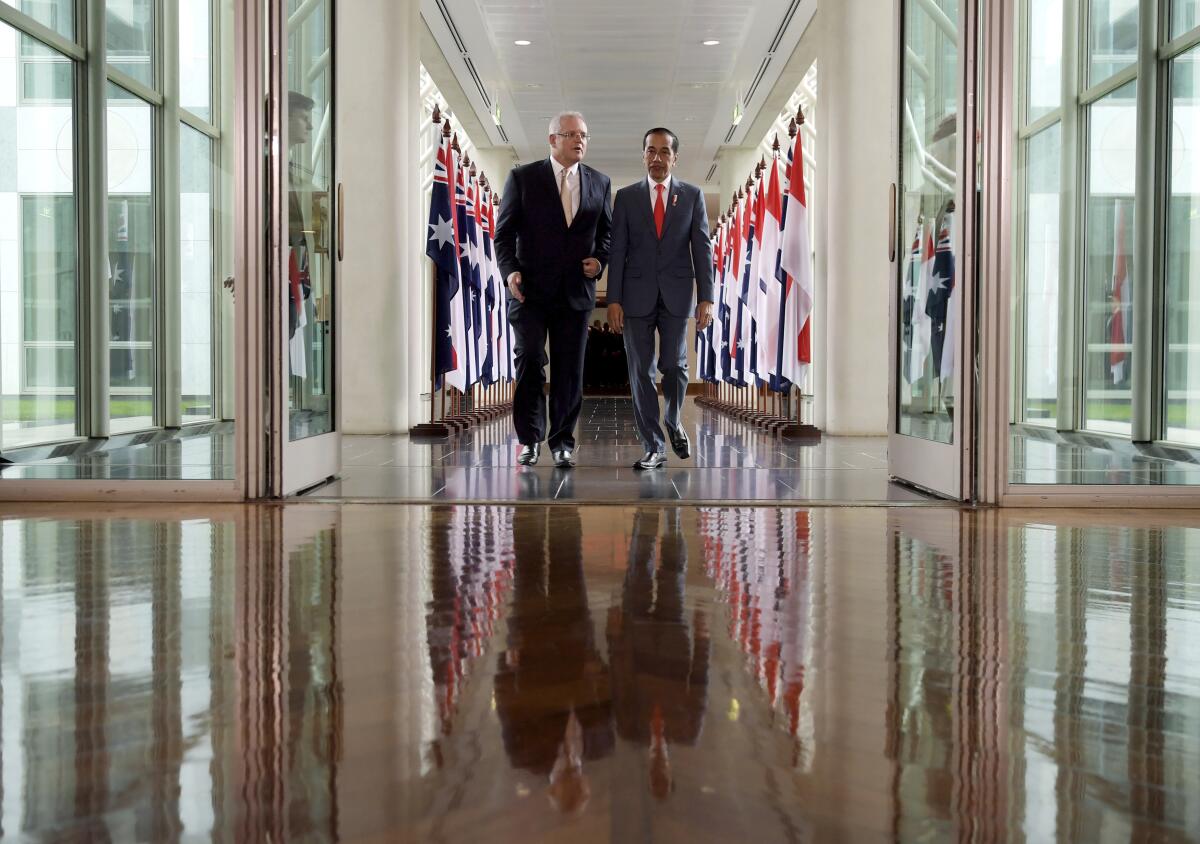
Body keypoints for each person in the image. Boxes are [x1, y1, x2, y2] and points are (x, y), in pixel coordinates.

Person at [495, 111, 613, 468]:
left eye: (585, 135)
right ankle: (529, 439)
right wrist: (510, 271)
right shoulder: (523, 178)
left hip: (576, 293)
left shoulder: (601, 183)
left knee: (569, 370)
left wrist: (600, 260)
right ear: (552, 140)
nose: (580, 141)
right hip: (528, 292)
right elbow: (503, 234)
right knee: (531, 359)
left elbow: (606, 233)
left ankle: (562, 441)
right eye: (572, 134)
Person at [606, 128, 714, 470]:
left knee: (675, 365)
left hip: (677, 294)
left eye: (664, 151)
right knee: (641, 372)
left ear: (674, 157)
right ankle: (653, 446)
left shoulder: (692, 196)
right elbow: (618, 250)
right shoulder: (625, 197)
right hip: (634, 297)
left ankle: (673, 418)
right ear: (643, 156)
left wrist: (706, 297)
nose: (657, 157)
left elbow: (701, 247)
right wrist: (613, 299)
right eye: (651, 151)